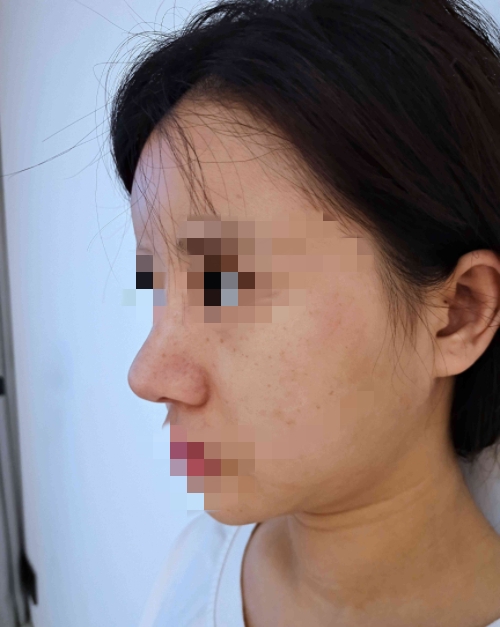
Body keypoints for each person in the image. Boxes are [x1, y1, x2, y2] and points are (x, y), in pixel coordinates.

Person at [109, 0, 500, 624]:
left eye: (225, 283)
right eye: (156, 287)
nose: (148, 375)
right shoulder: (192, 576)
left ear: (458, 313)